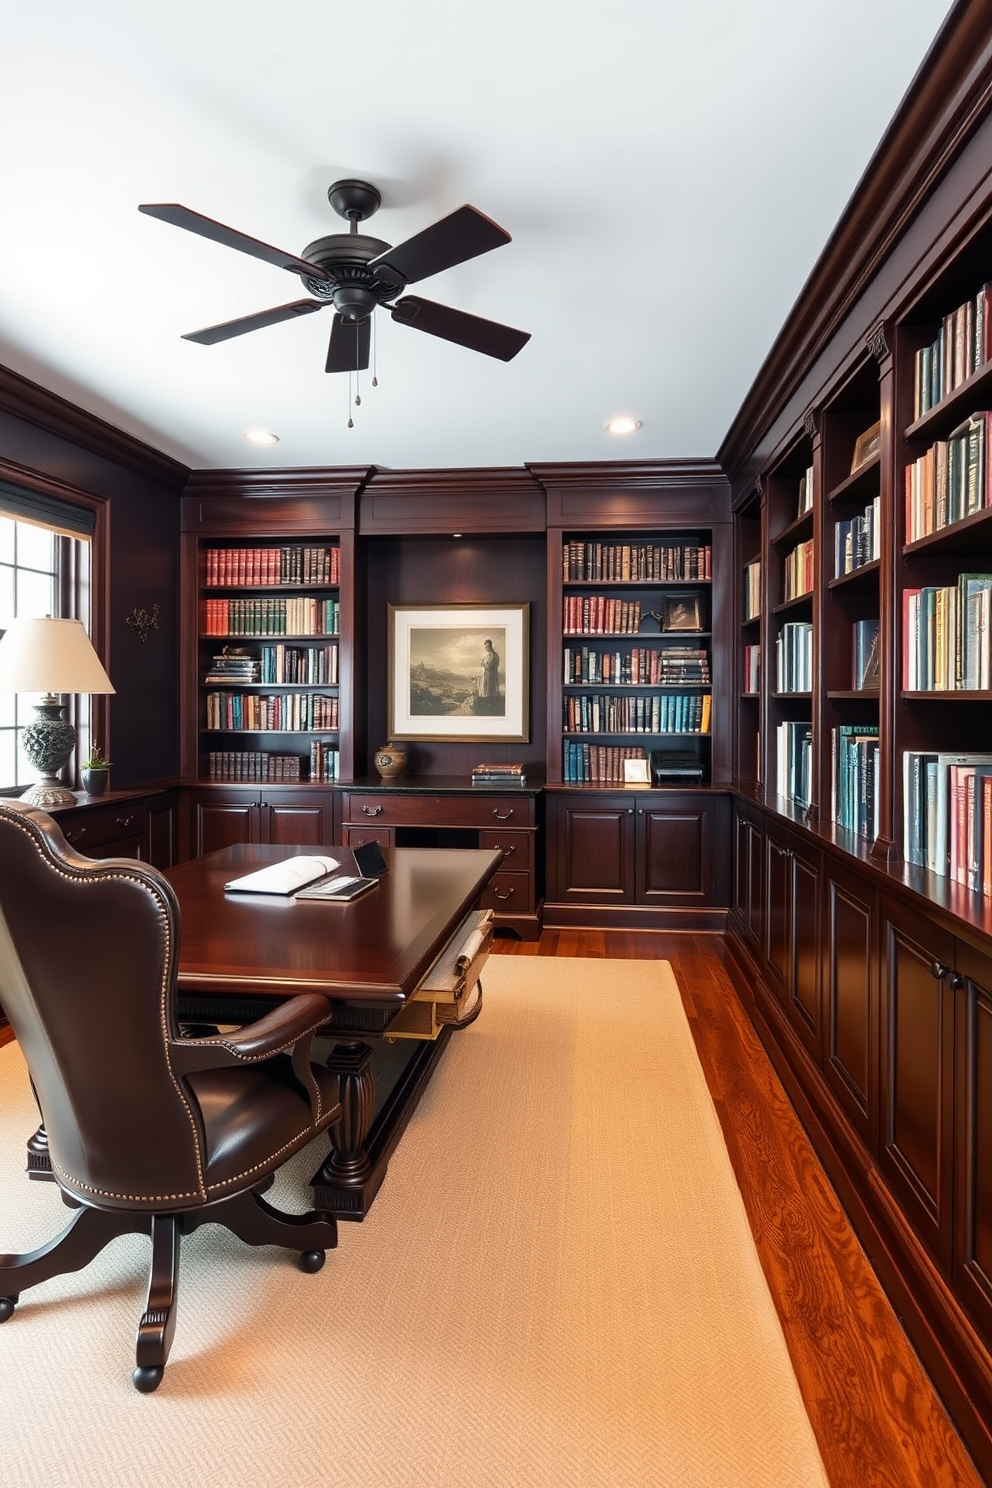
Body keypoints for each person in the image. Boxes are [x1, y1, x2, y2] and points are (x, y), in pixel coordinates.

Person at [476, 637, 501, 709]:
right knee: (485, 688)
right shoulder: (487, 656)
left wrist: (486, 665)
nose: (486, 648)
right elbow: (482, 664)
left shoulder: (494, 655)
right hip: (486, 674)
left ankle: (491, 705)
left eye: (487, 646)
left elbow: (490, 665)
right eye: (485, 647)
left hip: (491, 675)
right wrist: (485, 665)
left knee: (490, 689)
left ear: (490, 646)